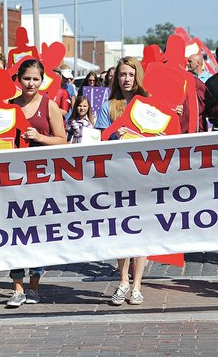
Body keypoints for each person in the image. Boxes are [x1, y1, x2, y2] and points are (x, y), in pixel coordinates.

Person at [5, 58, 67, 307]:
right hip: (12, 178)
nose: (31, 83)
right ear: (18, 80)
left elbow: (62, 139)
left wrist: (40, 137)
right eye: (27, 78)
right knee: (14, 231)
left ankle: (33, 286)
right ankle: (17, 287)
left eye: (35, 79)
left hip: (41, 178)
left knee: (37, 232)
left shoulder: (49, 105)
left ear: (42, 81)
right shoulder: (8, 106)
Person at [94, 57, 150, 304]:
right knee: (121, 230)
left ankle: (137, 285)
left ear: (137, 76)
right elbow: (101, 141)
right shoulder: (108, 107)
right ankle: (123, 281)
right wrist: (117, 136)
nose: (126, 79)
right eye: (122, 75)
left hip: (144, 175)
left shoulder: (149, 104)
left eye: (130, 74)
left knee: (142, 231)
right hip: (118, 175)